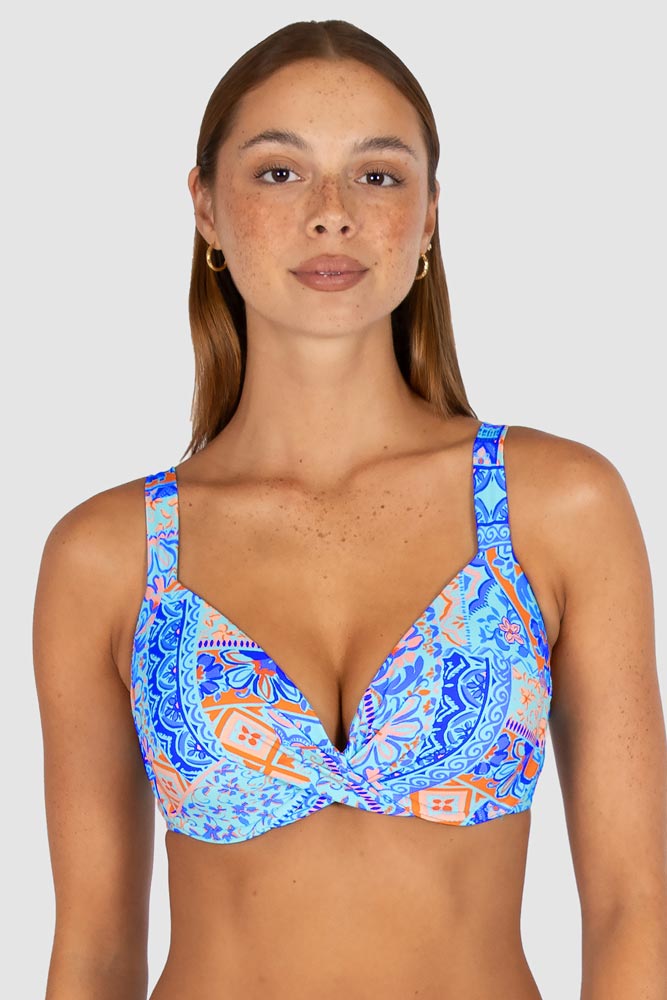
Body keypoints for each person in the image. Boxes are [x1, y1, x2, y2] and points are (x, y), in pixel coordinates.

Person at [33, 18, 667, 1000]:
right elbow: (93, 952)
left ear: (428, 216)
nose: (331, 215)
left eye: (376, 175)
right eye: (279, 172)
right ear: (205, 208)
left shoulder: (555, 507)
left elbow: (636, 910)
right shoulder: (108, 555)